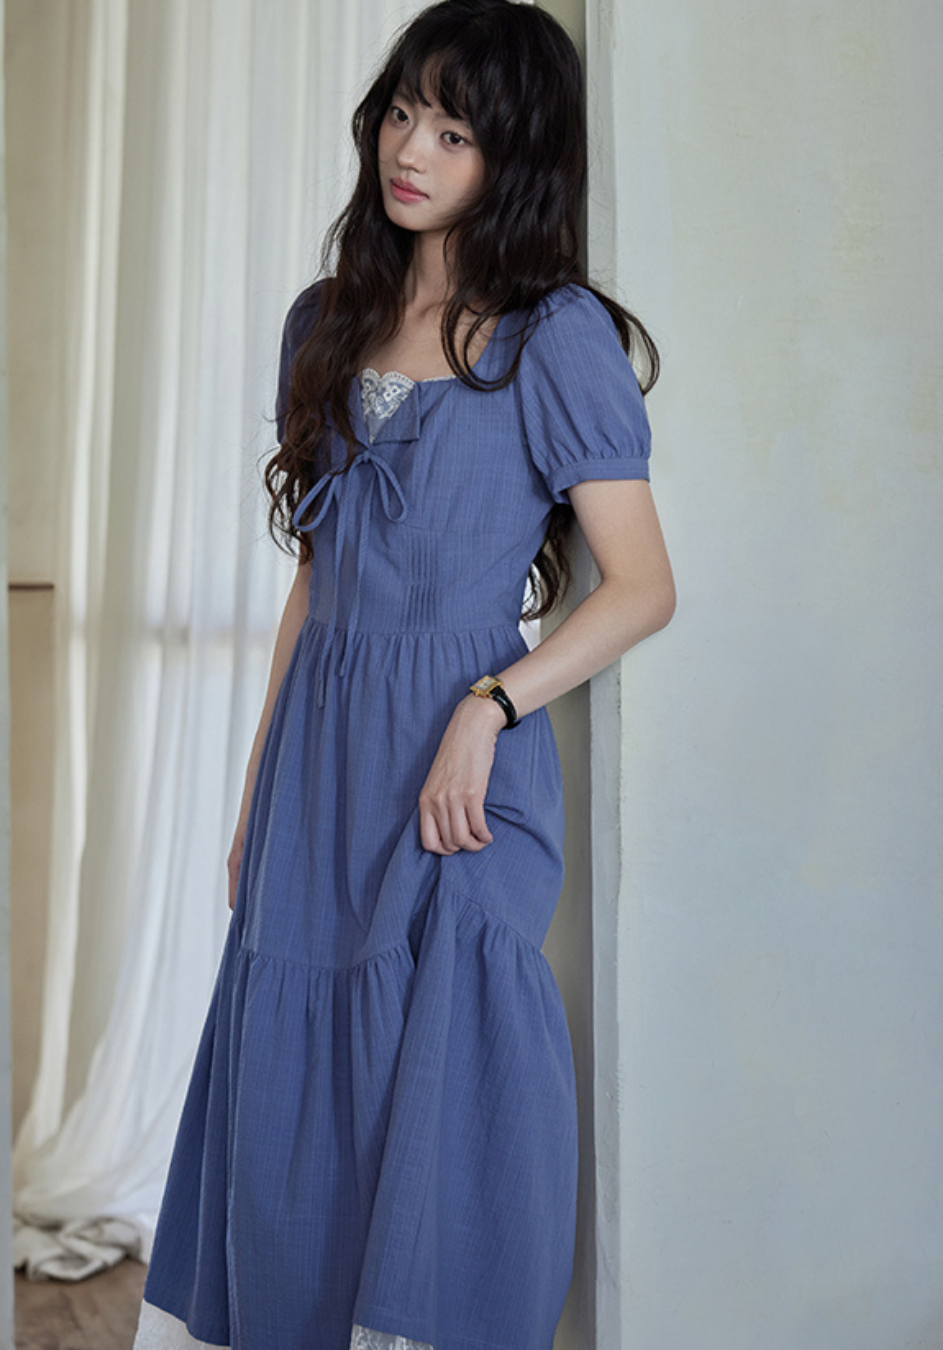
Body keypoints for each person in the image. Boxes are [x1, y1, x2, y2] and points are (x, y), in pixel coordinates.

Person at [133, 1, 676, 1347]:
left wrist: (489, 708)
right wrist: (257, 791)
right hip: (322, 757)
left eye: (455, 131)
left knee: (451, 1064)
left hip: (462, 767)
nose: (411, 149)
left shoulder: (553, 338)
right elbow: (313, 584)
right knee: (303, 1087)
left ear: (514, 157)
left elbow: (643, 586)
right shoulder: (324, 321)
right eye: (401, 113)